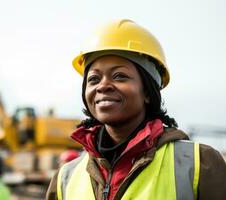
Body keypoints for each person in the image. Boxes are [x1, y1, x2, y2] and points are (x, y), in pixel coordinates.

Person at [46, 19, 226, 200]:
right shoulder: (65, 178)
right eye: (94, 79)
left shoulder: (200, 164)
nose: (103, 86)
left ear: (148, 91)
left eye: (119, 76)